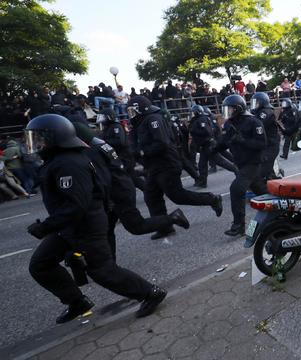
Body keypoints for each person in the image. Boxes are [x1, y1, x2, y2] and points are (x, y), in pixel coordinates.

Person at [25, 114, 166, 323]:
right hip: (68, 226)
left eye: (40, 138)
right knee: (40, 264)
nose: (37, 143)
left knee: (102, 271)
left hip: (86, 225)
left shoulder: (69, 163)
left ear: (56, 137)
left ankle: (150, 292)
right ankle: (76, 301)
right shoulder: (59, 160)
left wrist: (46, 227)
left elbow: (76, 205)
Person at [73, 121, 190, 257]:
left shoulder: (91, 151)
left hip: (117, 192)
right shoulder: (99, 144)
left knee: (136, 226)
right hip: (119, 187)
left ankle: (173, 218)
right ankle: (109, 261)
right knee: (107, 230)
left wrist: (104, 197)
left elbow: (103, 177)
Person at [127, 96, 223, 239]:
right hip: (153, 165)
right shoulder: (139, 123)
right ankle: (164, 227)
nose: (131, 115)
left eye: (132, 111)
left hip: (167, 163)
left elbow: (162, 143)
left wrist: (142, 152)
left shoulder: (154, 119)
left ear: (141, 109)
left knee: (177, 195)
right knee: (151, 196)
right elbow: (133, 143)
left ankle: (212, 199)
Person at [213, 95, 267, 236]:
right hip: (240, 164)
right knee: (261, 191)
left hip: (252, 163)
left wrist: (243, 140)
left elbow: (262, 144)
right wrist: (213, 149)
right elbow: (224, 141)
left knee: (237, 189)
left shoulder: (254, 122)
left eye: (230, 109)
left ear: (238, 109)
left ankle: (238, 225)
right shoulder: (230, 124)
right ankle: (278, 210)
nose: (228, 112)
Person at [97, 108, 145, 191]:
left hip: (125, 156)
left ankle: (148, 188)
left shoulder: (116, 126)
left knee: (130, 176)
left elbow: (120, 141)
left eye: (103, 117)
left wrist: (105, 142)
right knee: (129, 174)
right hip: (118, 156)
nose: (101, 120)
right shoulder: (107, 128)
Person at [251, 92, 280, 179]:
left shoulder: (266, 112)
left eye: (256, 103)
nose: (254, 105)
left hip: (270, 146)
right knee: (267, 172)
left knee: (262, 172)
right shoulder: (258, 112)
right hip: (265, 145)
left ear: (262, 102)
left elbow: (257, 124)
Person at [189, 105, 214, 187]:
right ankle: (203, 182)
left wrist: (195, 131)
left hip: (208, 144)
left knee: (221, 161)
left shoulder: (202, 119)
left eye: (193, 113)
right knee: (202, 165)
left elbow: (207, 132)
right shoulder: (197, 120)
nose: (192, 114)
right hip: (203, 145)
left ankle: (236, 170)